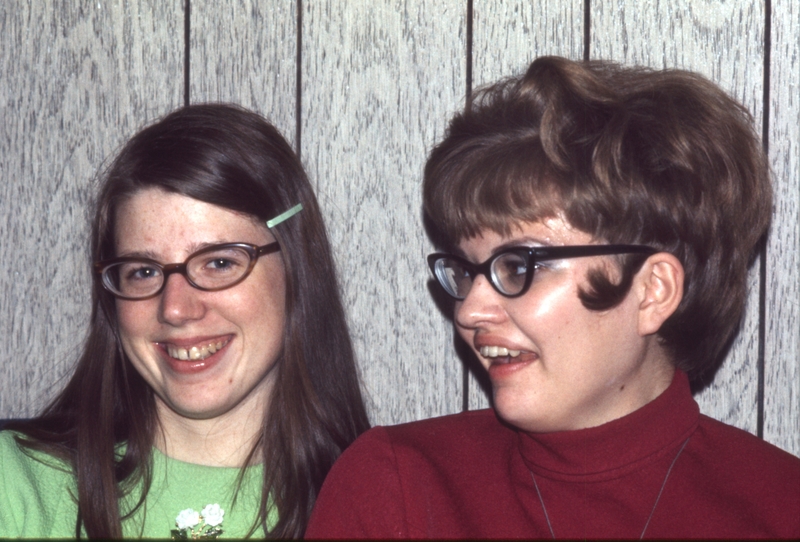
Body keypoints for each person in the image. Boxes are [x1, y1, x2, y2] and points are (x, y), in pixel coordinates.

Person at [305, 56, 800, 538]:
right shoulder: (398, 487)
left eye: (519, 266)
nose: (471, 311)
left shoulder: (782, 507)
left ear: (653, 291)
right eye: (466, 270)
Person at [0, 104, 369, 538]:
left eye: (218, 262)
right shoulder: (16, 485)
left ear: (296, 268)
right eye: (143, 271)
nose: (175, 308)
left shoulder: (383, 502)